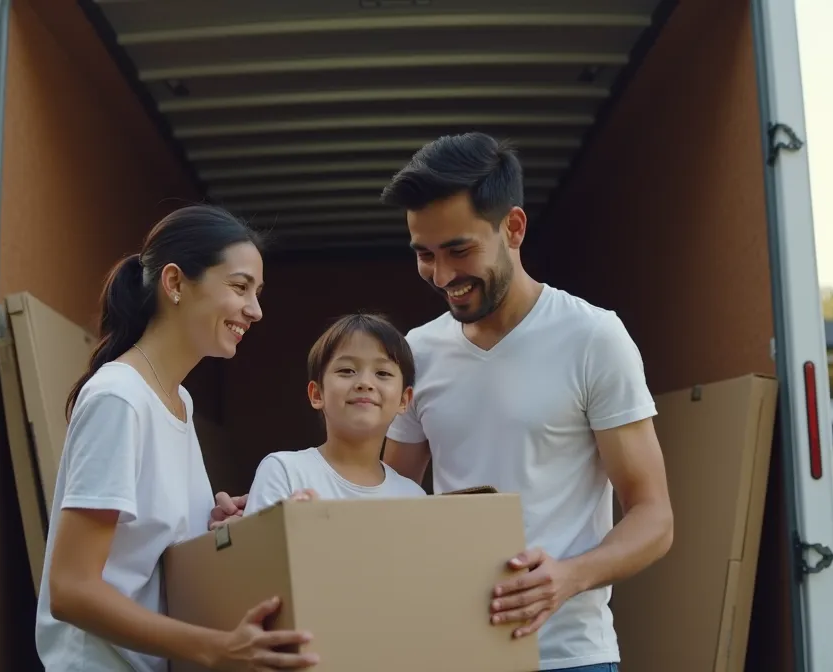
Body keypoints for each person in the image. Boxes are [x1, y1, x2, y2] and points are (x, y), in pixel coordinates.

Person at [211, 133, 674, 672]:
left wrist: (569, 577)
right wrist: (274, 516)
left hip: (568, 655)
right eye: (425, 255)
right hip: (451, 650)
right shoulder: (418, 352)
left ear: (514, 228)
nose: (443, 275)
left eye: (459, 249)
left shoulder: (593, 338)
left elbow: (654, 517)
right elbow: (381, 497)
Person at [36, 205, 319, 672]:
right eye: (239, 286)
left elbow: (145, 549)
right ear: (174, 284)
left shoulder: (178, 401)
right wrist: (215, 648)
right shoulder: (120, 398)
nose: (256, 309)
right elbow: (71, 590)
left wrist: (219, 524)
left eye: (257, 292)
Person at [243, 313, 428, 516]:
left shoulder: (413, 497)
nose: (365, 383)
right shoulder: (284, 471)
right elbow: (258, 547)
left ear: (404, 400)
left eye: (382, 373)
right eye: (347, 370)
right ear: (316, 394)